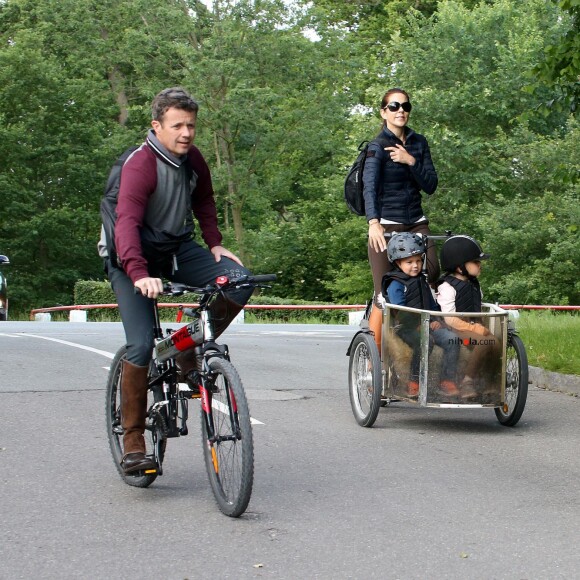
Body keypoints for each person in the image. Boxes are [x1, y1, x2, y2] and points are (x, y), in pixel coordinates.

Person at [98, 87, 253, 475]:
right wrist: (138, 273)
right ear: (157, 126)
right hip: (127, 254)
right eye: (177, 125)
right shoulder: (140, 165)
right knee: (139, 344)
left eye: (191, 126)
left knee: (237, 281)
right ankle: (134, 440)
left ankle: (186, 350)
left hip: (174, 247)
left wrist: (215, 244)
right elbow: (127, 224)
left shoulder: (193, 159)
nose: (186, 133)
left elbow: (204, 201)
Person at [362, 88, 440, 352]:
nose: (401, 111)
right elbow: (369, 188)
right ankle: (375, 359)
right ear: (384, 112)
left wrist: (410, 161)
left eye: (405, 106)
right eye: (394, 107)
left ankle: (426, 348)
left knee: (432, 272)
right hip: (387, 222)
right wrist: (374, 222)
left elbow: (431, 185)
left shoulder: (419, 142)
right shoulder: (377, 146)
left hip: (416, 219)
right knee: (384, 291)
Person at [382, 233, 460, 398]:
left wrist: (436, 320)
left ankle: (446, 380)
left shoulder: (422, 281)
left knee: (453, 340)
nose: (415, 266)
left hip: (427, 324)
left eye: (418, 261)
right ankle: (414, 381)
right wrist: (417, 324)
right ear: (398, 263)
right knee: (426, 341)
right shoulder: (396, 284)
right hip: (406, 328)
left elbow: (431, 305)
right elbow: (400, 311)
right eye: (409, 262)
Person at [436, 235, 500, 400]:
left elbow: (477, 308)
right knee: (484, 343)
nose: (480, 266)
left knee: (496, 343)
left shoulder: (474, 285)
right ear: (459, 267)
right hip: (456, 329)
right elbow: (449, 319)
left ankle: (490, 381)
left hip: (473, 326)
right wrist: (475, 329)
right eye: (475, 262)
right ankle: (467, 381)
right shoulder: (447, 287)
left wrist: (481, 326)